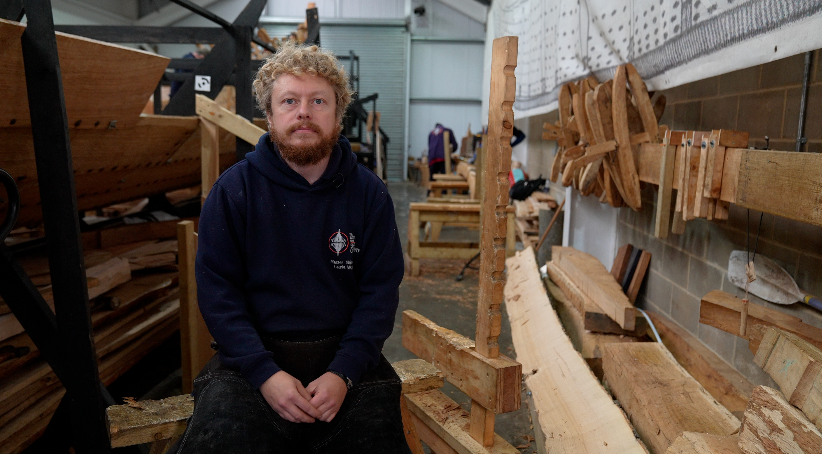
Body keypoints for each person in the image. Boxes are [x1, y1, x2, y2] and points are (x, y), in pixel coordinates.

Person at [176, 42, 409, 453]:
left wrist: (345, 373)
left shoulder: (369, 194)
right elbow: (219, 296)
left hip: (346, 361)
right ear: (269, 115)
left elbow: (379, 294)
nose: (304, 112)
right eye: (289, 101)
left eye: (318, 100)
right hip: (253, 364)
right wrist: (265, 374)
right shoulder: (233, 192)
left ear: (338, 115)